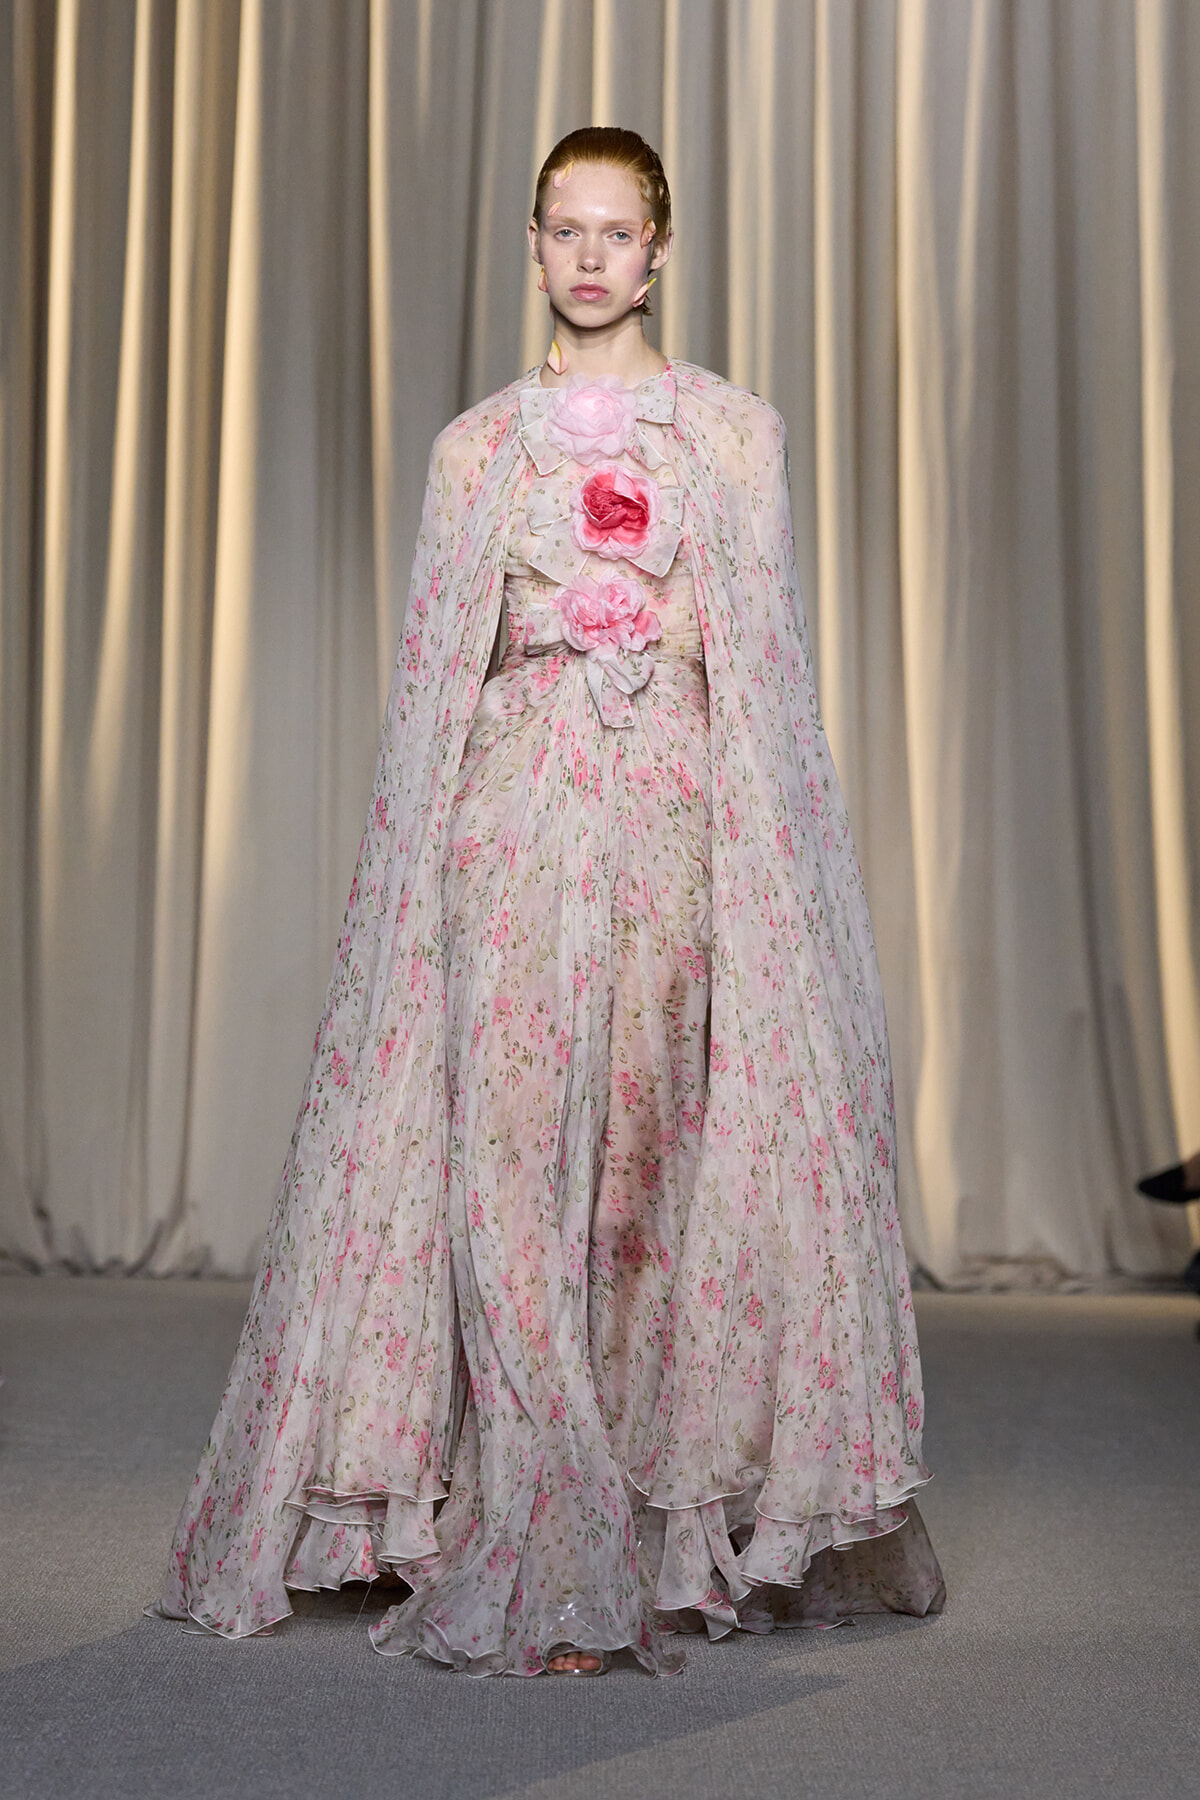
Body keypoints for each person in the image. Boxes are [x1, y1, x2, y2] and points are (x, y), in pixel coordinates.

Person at [156, 127, 944, 1677]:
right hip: (507, 835)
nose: (591, 258)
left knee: (642, 1179)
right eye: (564, 231)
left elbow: (767, 690)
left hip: (670, 842)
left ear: (661, 251)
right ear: (533, 248)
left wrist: (757, 866)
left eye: (619, 232)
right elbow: (432, 694)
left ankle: (646, 1522)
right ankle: (536, 1522)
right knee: (506, 1176)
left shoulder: (736, 439)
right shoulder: (472, 451)